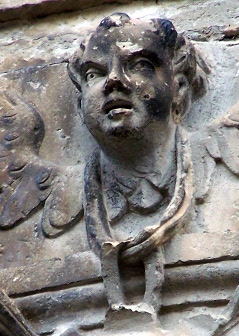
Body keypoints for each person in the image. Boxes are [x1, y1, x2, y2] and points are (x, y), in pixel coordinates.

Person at [68, 13, 208, 315]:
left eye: (140, 66)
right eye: (94, 74)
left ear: (179, 89)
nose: (114, 80)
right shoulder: (72, 187)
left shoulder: (208, 149)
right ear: (80, 106)